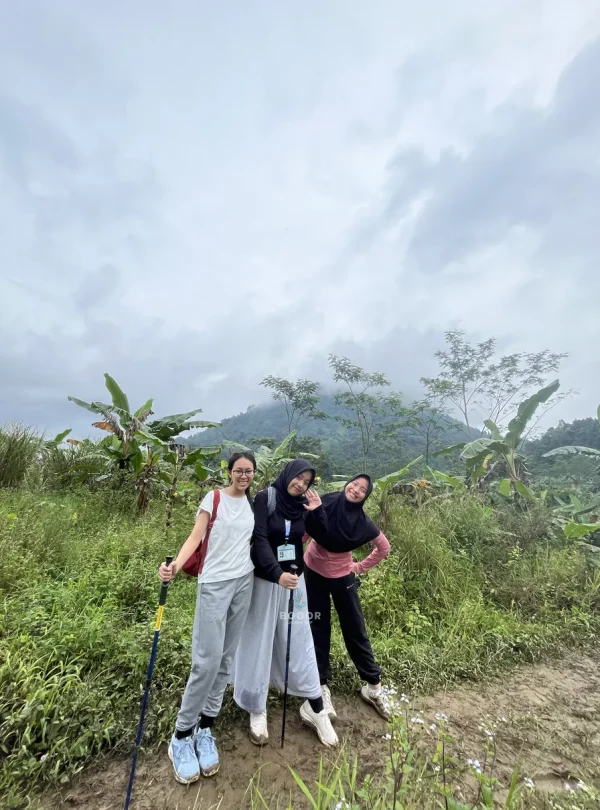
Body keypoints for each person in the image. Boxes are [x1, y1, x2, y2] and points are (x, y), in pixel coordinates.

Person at [157, 452, 257, 785]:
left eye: (249, 471)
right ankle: (181, 735)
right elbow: (195, 537)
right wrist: (172, 567)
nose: (243, 476)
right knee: (206, 662)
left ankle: (205, 729)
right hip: (214, 584)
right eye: (238, 470)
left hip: (245, 582)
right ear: (229, 472)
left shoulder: (253, 504)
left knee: (226, 660)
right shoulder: (213, 498)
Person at [231, 459, 339, 748]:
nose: (301, 484)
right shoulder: (266, 498)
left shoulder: (304, 503)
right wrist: (276, 573)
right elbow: (260, 538)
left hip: (295, 581)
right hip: (267, 580)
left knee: (301, 641)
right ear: (288, 474)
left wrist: (317, 514)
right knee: (259, 640)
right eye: (299, 478)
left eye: (307, 481)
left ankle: (314, 706)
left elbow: (322, 536)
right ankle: (256, 706)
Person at [303, 474, 392, 721]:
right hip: (312, 573)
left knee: (354, 627)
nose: (356, 489)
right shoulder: (326, 502)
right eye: (354, 484)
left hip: (342, 576)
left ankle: (373, 686)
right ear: (347, 484)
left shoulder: (363, 522)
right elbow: (308, 528)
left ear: (366, 496)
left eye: (363, 489)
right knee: (317, 626)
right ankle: (320, 686)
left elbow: (383, 548)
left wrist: (360, 566)